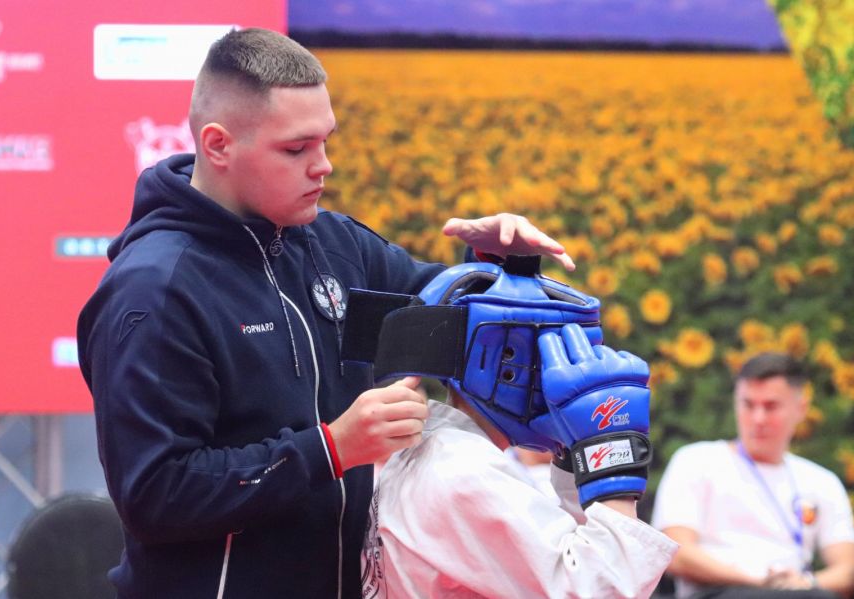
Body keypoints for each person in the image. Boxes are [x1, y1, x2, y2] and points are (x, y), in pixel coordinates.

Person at [76, 28, 575, 599]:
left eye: (326, 141)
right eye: (297, 149)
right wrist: (333, 448)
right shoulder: (154, 291)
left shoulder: (333, 244)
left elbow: (445, 322)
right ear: (217, 146)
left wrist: (501, 267)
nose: (324, 166)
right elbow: (156, 496)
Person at [358, 261, 678, 598]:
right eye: (550, 354)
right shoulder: (462, 474)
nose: (564, 373)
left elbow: (567, 552)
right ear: (503, 361)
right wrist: (613, 451)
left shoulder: (436, 453)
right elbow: (599, 590)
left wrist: (576, 453)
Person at [651, 352, 854, 599]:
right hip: (717, 593)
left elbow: (848, 571)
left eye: (771, 406)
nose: (758, 419)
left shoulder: (821, 481)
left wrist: (804, 583)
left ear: (801, 408)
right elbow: (676, 554)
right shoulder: (697, 460)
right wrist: (759, 582)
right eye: (748, 405)